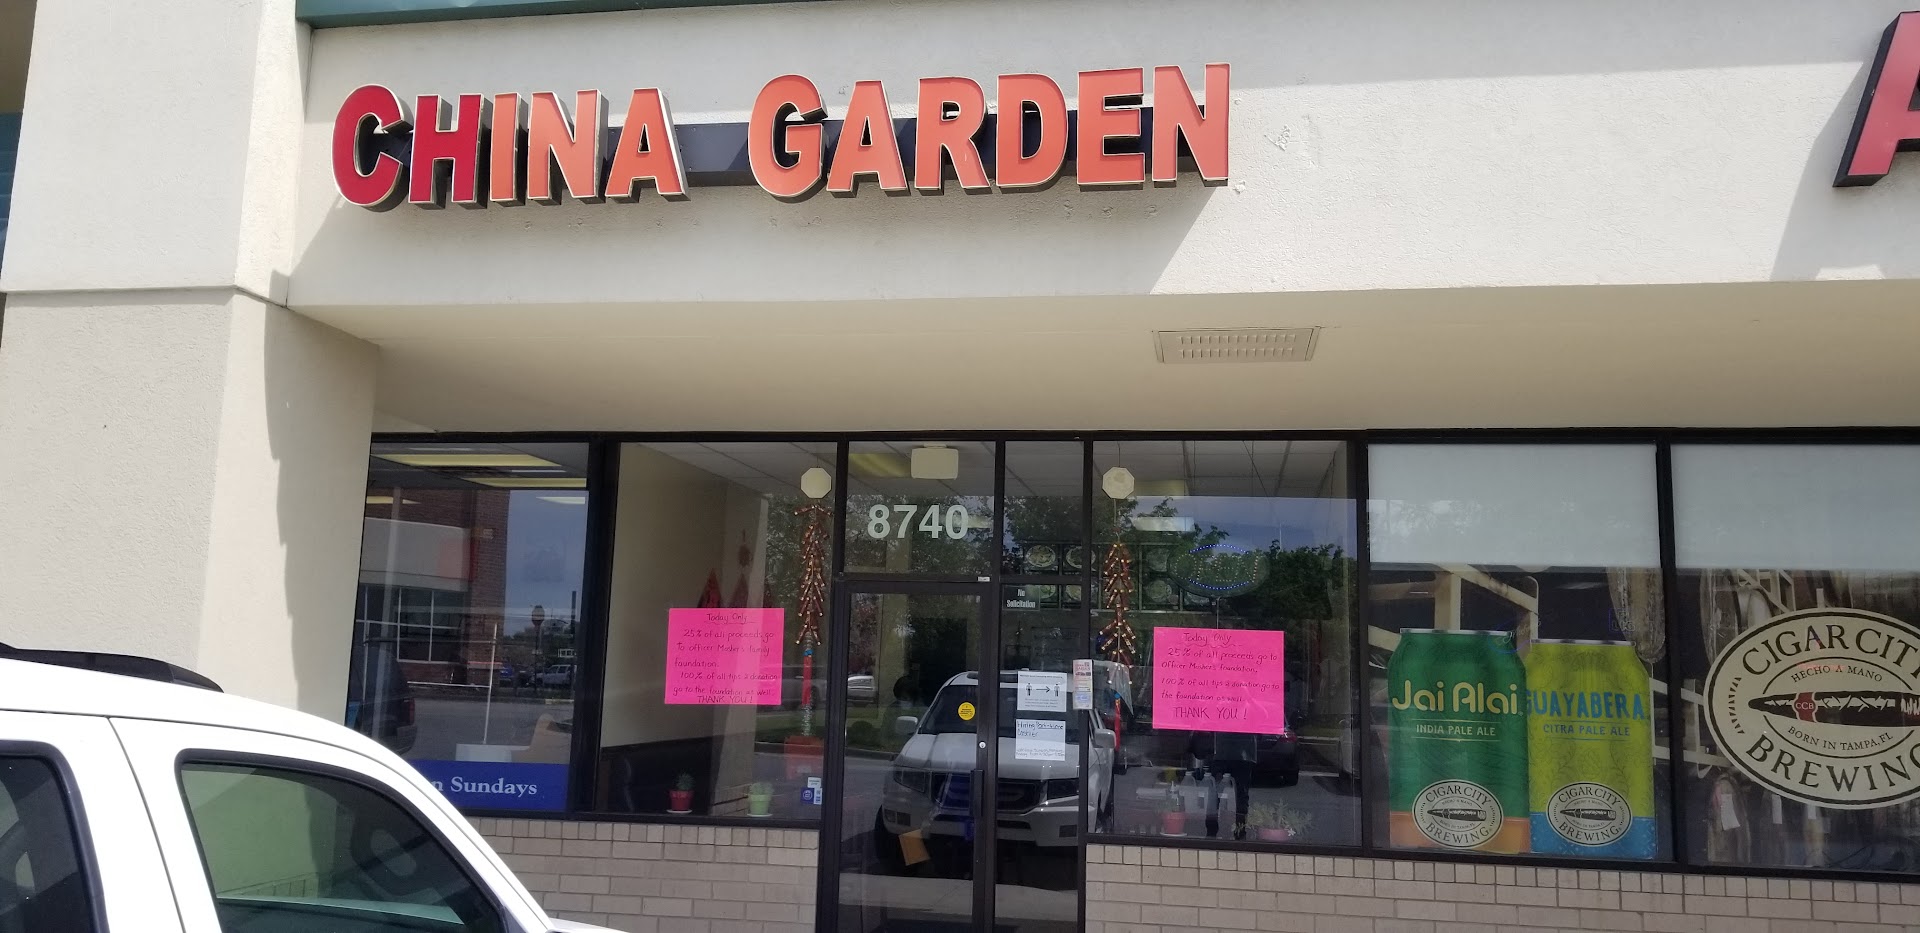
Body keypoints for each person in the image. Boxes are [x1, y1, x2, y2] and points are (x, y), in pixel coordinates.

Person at [1189, 730, 1256, 840]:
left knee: (1215, 793)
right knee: (1239, 794)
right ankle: (1239, 831)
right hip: (1241, 749)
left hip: (1224, 749)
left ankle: (1213, 831)